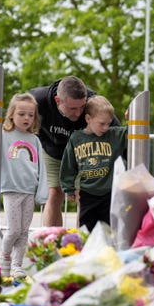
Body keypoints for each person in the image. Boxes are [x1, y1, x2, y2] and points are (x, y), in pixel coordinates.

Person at [29, 76, 119, 227]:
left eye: (81, 107)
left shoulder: (93, 102)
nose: (78, 113)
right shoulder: (38, 100)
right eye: (72, 108)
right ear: (58, 101)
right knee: (54, 193)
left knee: (83, 196)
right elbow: (17, 117)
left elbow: (114, 129)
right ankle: (52, 241)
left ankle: (82, 242)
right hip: (53, 151)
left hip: (82, 153)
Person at [59, 95, 127, 232]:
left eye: (109, 123)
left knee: (110, 230)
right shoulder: (76, 138)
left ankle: (108, 253)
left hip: (109, 194)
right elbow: (68, 164)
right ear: (88, 118)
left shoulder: (114, 135)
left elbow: (132, 131)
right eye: (102, 123)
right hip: (87, 194)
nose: (106, 127)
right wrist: (69, 187)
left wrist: (132, 119)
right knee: (86, 230)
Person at [0, 93, 48, 278]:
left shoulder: (34, 140)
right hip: (11, 190)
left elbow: (41, 167)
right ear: (11, 114)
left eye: (30, 114)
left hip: (29, 191)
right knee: (13, 230)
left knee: (24, 232)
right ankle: (4, 260)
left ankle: (17, 265)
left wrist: (41, 192)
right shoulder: (3, 135)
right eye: (21, 114)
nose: (26, 118)